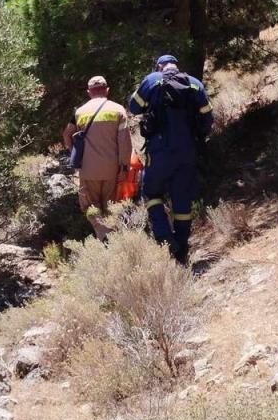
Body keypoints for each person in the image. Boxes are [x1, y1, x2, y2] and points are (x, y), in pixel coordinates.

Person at [128, 53, 213, 264]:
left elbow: (134, 107)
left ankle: (165, 236)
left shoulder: (151, 80)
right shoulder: (194, 84)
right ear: (177, 65)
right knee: (182, 202)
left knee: (151, 193)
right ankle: (182, 249)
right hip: (187, 152)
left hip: (159, 151)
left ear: (159, 66)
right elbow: (207, 117)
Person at [63, 75, 132, 242]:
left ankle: (103, 237)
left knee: (90, 207)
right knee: (110, 207)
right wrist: (124, 167)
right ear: (107, 90)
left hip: (88, 171)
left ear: (89, 92)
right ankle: (110, 238)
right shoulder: (118, 110)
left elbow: (67, 134)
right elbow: (125, 143)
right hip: (112, 170)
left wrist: (74, 152)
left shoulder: (79, 112)